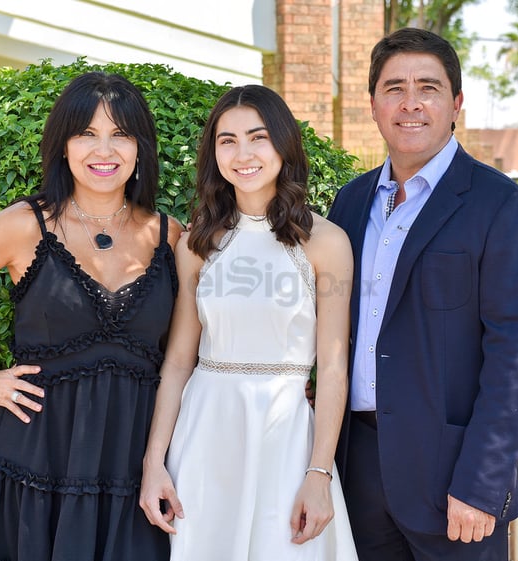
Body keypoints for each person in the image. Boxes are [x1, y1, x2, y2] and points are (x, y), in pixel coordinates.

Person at [0, 71, 182, 560]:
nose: (103, 150)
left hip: (132, 465)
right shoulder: (25, 226)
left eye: (120, 135)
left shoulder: (172, 236)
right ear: (63, 146)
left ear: (140, 149)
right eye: (86, 134)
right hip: (35, 463)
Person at [326, 28, 518, 561]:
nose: (410, 103)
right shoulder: (350, 204)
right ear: (374, 105)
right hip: (355, 470)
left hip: (452, 478)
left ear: (456, 103)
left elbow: (517, 358)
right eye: (393, 88)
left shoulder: (502, 208)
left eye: (427, 87)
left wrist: (481, 482)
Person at [139, 84, 358, 561]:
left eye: (257, 137)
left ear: (283, 144)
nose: (243, 154)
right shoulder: (197, 242)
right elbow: (178, 363)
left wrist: (319, 473)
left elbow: (335, 368)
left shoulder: (326, 242)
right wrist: (154, 462)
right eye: (227, 140)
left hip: (285, 440)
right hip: (205, 435)